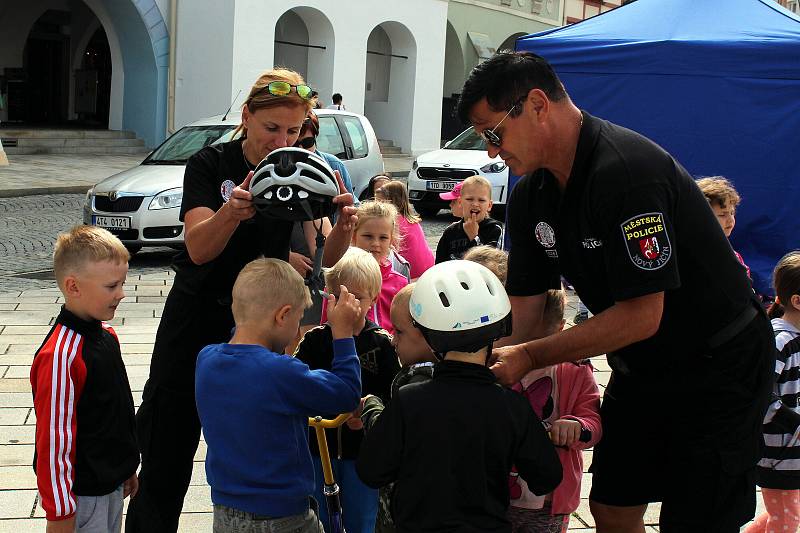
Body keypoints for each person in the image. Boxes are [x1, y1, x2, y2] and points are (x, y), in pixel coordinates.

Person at [457, 51, 773, 531]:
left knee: (696, 518)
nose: (491, 153)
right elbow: (526, 312)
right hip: (641, 362)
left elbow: (642, 315)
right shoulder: (529, 196)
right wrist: (468, 366)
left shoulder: (625, 173)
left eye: (494, 133)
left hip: (720, 365)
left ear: (537, 104)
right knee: (612, 506)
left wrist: (529, 356)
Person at [126, 68, 357, 533]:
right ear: (247, 116)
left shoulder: (300, 167)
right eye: (272, 128)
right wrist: (232, 211)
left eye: (293, 130)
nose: (283, 140)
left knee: (254, 461)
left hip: (255, 333)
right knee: (166, 462)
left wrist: (345, 226)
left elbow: (323, 255)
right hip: (193, 325)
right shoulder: (211, 165)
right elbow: (198, 247)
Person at [356, 260, 562, 532]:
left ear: (430, 335)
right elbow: (546, 477)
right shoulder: (511, 406)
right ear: (500, 327)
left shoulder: (410, 400)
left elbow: (371, 471)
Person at [195, 258, 362, 533]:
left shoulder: (207, 359)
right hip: (283, 517)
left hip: (225, 514)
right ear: (282, 315)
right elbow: (346, 394)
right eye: (297, 320)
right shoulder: (279, 372)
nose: (297, 331)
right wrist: (343, 334)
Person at [31, 226, 138, 533]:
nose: (121, 293)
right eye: (111, 286)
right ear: (73, 287)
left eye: (123, 283)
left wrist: (125, 466)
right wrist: (60, 510)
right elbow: (54, 440)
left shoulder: (105, 336)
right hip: (82, 498)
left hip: (110, 485)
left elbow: (116, 411)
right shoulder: (61, 355)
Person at [295, 248, 400, 533]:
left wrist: (368, 411)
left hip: (362, 453)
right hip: (319, 447)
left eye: (358, 297)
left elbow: (395, 394)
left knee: (361, 517)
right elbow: (296, 384)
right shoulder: (315, 340)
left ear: (373, 300)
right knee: (319, 515)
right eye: (341, 295)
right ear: (330, 296)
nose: (349, 303)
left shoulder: (382, 344)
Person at [507, 289, 602, 533]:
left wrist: (577, 426)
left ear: (559, 330)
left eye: (541, 342)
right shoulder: (500, 365)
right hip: (498, 495)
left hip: (548, 502)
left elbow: (593, 421)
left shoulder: (575, 369)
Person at [746, 252, 800, 533]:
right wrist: (794, 422)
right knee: (786, 521)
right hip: (779, 455)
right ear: (797, 301)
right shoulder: (780, 340)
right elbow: (761, 396)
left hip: (793, 454)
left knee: (782, 514)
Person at [321, 201, 409, 334]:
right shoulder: (339, 275)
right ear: (354, 236)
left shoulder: (399, 283)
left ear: (391, 241)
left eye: (383, 238)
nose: (375, 243)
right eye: (368, 236)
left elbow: (404, 328)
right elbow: (326, 323)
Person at [435, 175, 503, 263]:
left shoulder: (495, 228)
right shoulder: (450, 231)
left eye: (481, 200)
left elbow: (491, 264)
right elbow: (439, 265)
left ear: (489, 205)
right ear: (460, 202)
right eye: (469, 199)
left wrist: (474, 237)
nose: (475, 204)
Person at [376, 180, 434, 279]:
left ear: (389, 201)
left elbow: (386, 250)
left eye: (380, 202)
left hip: (411, 271)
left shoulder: (392, 221)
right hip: (428, 265)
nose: (377, 205)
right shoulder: (410, 219)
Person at [696, 176, 751, 278]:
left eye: (732, 213)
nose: (731, 220)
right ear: (701, 217)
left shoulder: (733, 255)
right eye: (722, 215)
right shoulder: (695, 254)